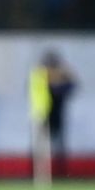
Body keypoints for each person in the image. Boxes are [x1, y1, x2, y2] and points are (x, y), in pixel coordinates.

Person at [29, 50, 77, 181]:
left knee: (58, 147)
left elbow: (71, 87)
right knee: (39, 148)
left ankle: (60, 174)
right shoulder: (40, 77)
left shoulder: (60, 79)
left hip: (55, 116)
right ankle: (37, 175)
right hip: (42, 115)